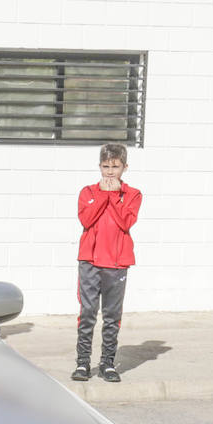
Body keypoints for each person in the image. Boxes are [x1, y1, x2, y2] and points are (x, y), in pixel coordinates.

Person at [72, 144, 140, 383]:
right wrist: (103, 194)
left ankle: (108, 363)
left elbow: (125, 223)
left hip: (117, 263)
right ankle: (82, 363)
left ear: (124, 167)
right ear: (99, 166)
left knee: (112, 314)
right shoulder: (88, 192)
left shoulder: (133, 194)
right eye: (106, 166)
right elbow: (86, 219)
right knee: (88, 312)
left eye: (115, 166)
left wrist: (114, 195)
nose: (110, 172)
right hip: (90, 261)